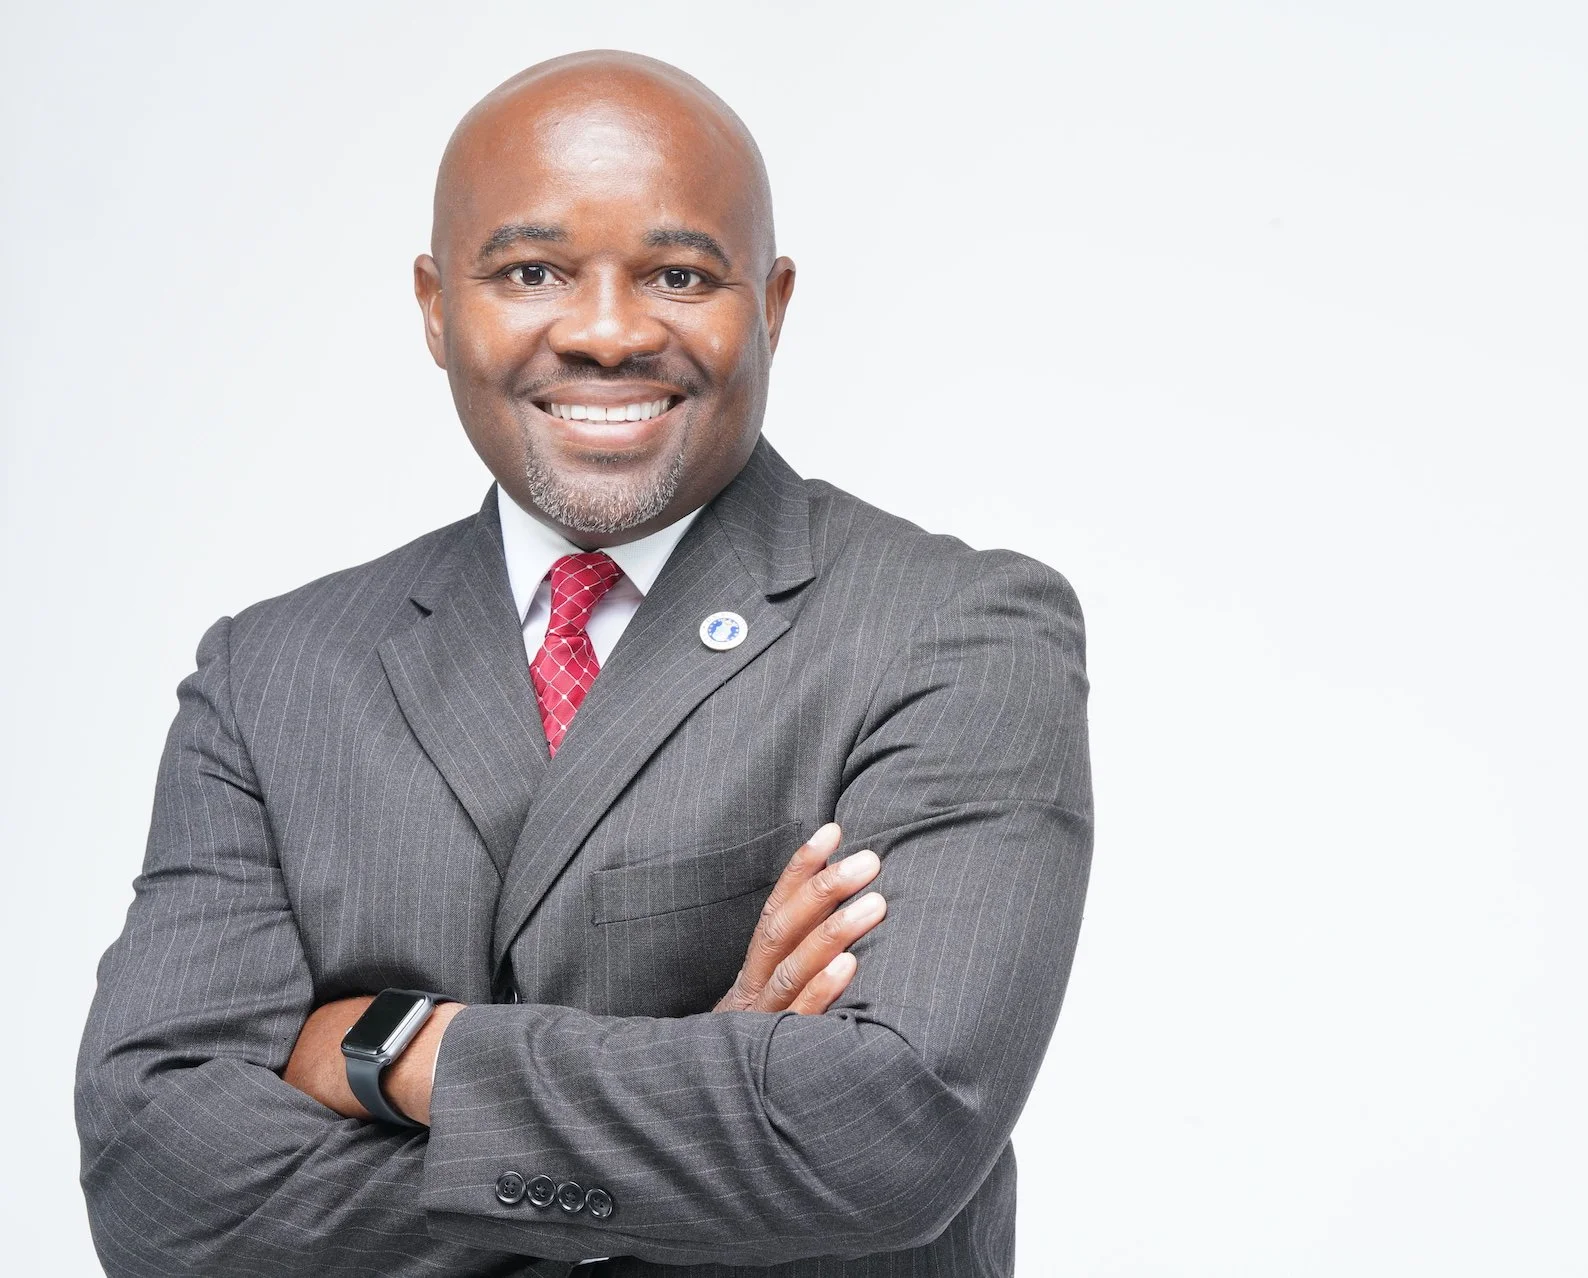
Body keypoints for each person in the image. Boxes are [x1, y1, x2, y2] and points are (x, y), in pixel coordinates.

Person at [75, 50, 1092, 1277]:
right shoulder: (272, 676)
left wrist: (398, 1052)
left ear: (768, 304)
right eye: (531, 271)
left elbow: (888, 1131)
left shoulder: (954, 629)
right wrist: (711, 1091)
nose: (607, 332)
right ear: (436, 305)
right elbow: (159, 1187)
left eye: (677, 273)